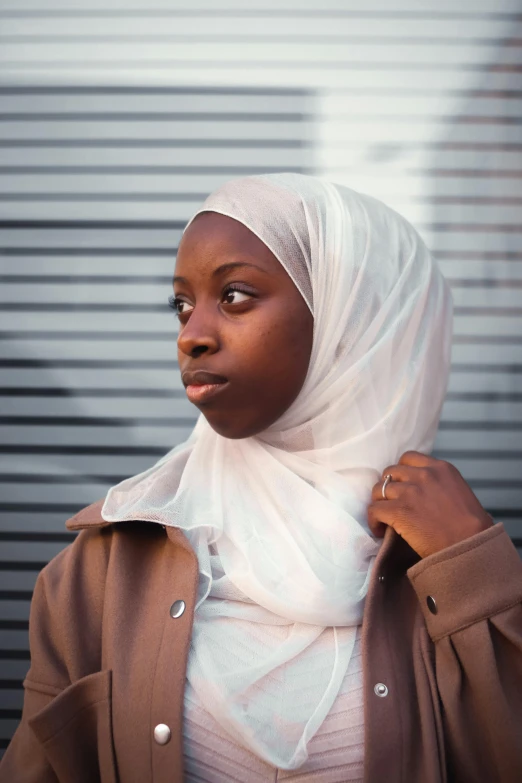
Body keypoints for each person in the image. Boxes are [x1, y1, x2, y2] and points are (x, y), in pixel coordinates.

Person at [1, 173, 522, 783]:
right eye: (181, 304)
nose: (190, 335)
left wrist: (475, 570)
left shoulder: (447, 558)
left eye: (235, 295)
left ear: (350, 321)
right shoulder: (98, 574)